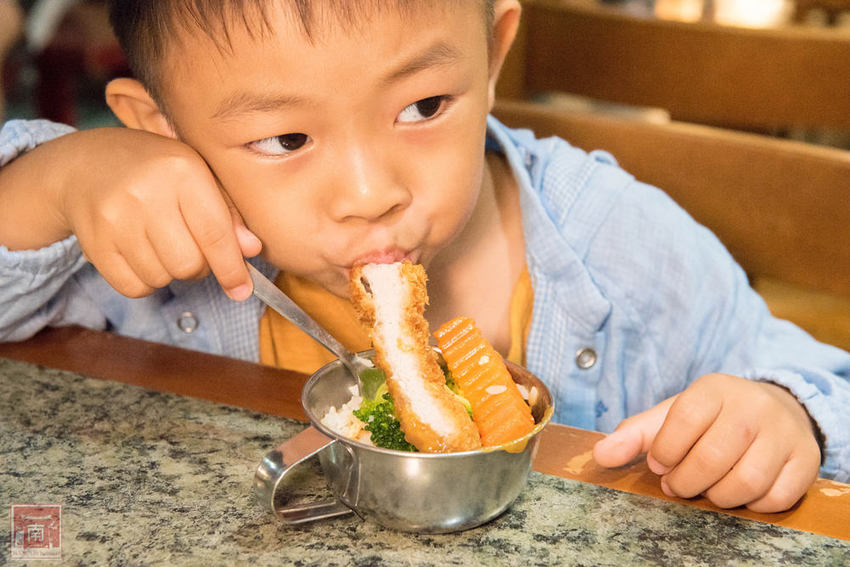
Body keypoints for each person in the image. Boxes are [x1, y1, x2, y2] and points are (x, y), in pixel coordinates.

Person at [0, 0, 847, 514]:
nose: (370, 191)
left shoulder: (620, 248)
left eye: (424, 105)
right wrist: (54, 183)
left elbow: (824, 390)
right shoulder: (147, 243)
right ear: (164, 130)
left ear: (493, 53)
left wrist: (784, 416)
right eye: (286, 136)